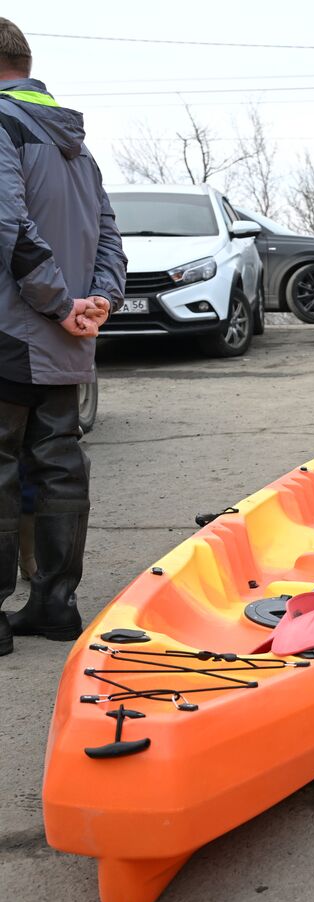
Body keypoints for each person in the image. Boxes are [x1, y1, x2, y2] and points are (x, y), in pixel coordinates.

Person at [1, 17, 125, 657]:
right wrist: (99, 300)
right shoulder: (76, 139)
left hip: (13, 328)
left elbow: (9, 227)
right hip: (68, 333)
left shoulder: (2, 126)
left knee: (2, 467)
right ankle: (55, 602)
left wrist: (58, 303)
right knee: (58, 463)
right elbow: (109, 233)